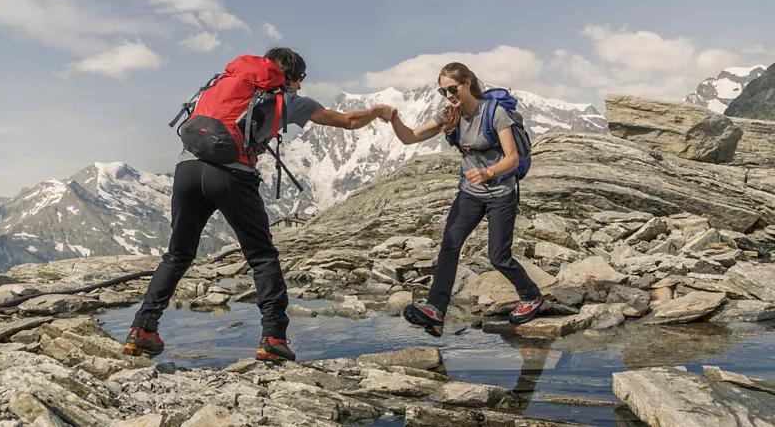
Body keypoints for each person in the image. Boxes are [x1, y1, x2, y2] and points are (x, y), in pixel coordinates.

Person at [123, 47, 396, 361]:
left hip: (186, 171)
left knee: (178, 254)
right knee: (262, 256)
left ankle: (142, 330)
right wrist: (376, 112)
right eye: (300, 79)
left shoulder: (219, 84)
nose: (301, 87)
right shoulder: (285, 99)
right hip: (231, 176)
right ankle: (273, 338)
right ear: (288, 76)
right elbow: (347, 121)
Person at [388, 62, 548, 337]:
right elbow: (409, 137)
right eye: (443, 90)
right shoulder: (449, 115)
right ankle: (435, 312)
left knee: (498, 256)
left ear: (468, 83)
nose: (449, 94)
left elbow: (512, 158)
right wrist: (392, 118)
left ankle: (532, 297)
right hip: (469, 194)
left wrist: (488, 172)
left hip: (501, 193)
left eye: (453, 88)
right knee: (449, 247)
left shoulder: (495, 113)